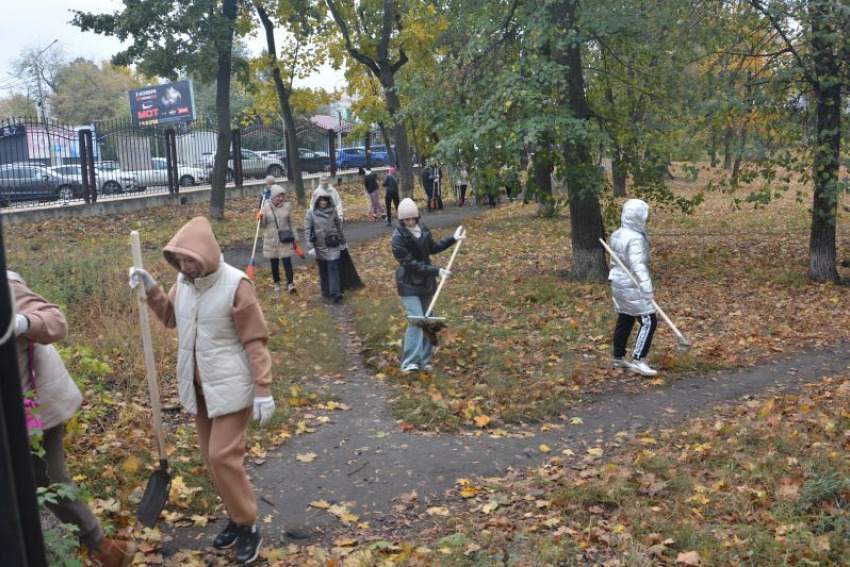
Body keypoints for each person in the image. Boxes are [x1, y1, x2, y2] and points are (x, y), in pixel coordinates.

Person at [128, 217, 275, 564]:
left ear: (206, 254)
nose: (185, 266)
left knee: (224, 456)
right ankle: (237, 518)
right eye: (179, 261)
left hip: (233, 385)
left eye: (190, 260)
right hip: (200, 387)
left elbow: (256, 340)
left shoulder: (235, 285)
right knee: (212, 460)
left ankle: (249, 526)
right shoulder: (184, 284)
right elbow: (169, 317)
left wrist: (263, 388)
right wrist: (152, 288)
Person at [9, 270, 136, 567]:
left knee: (47, 476)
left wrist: (22, 322)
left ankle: (104, 549)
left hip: (39, 404)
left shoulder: (7, 289)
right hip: (11, 410)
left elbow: (56, 321)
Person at [391, 198, 466, 373]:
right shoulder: (398, 238)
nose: (409, 222)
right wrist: (436, 271)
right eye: (406, 220)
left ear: (417, 217)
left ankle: (424, 360)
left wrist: (453, 239)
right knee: (416, 319)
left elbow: (433, 247)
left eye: (412, 218)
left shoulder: (423, 229)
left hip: (425, 283)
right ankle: (409, 362)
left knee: (428, 320)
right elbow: (410, 264)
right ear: (401, 220)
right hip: (408, 283)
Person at [608, 199, 658, 377]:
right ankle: (639, 359)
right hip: (632, 284)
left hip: (618, 282)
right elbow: (638, 266)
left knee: (626, 317)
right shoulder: (635, 238)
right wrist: (647, 288)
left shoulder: (617, 233)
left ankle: (618, 356)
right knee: (649, 320)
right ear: (638, 217)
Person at [305, 188, 346, 303]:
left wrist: (343, 240)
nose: (323, 202)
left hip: (332, 243)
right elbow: (308, 231)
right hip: (319, 246)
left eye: (325, 200)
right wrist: (310, 247)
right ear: (317, 200)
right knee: (323, 269)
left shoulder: (333, 211)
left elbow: (338, 226)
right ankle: (326, 291)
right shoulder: (311, 213)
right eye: (321, 200)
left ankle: (336, 292)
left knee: (333, 266)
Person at [260, 185, 298, 294]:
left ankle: (290, 284)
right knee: (274, 263)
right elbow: (262, 225)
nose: (280, 198)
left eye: (281, 196)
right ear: (272, 197)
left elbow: (292, 223)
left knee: (287, 262)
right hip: (271, 239)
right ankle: (276, 283)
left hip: (285, 238)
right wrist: (259, 218)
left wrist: (295, 238)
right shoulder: (266, 207)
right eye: (278, 196)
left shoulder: (287, 206)